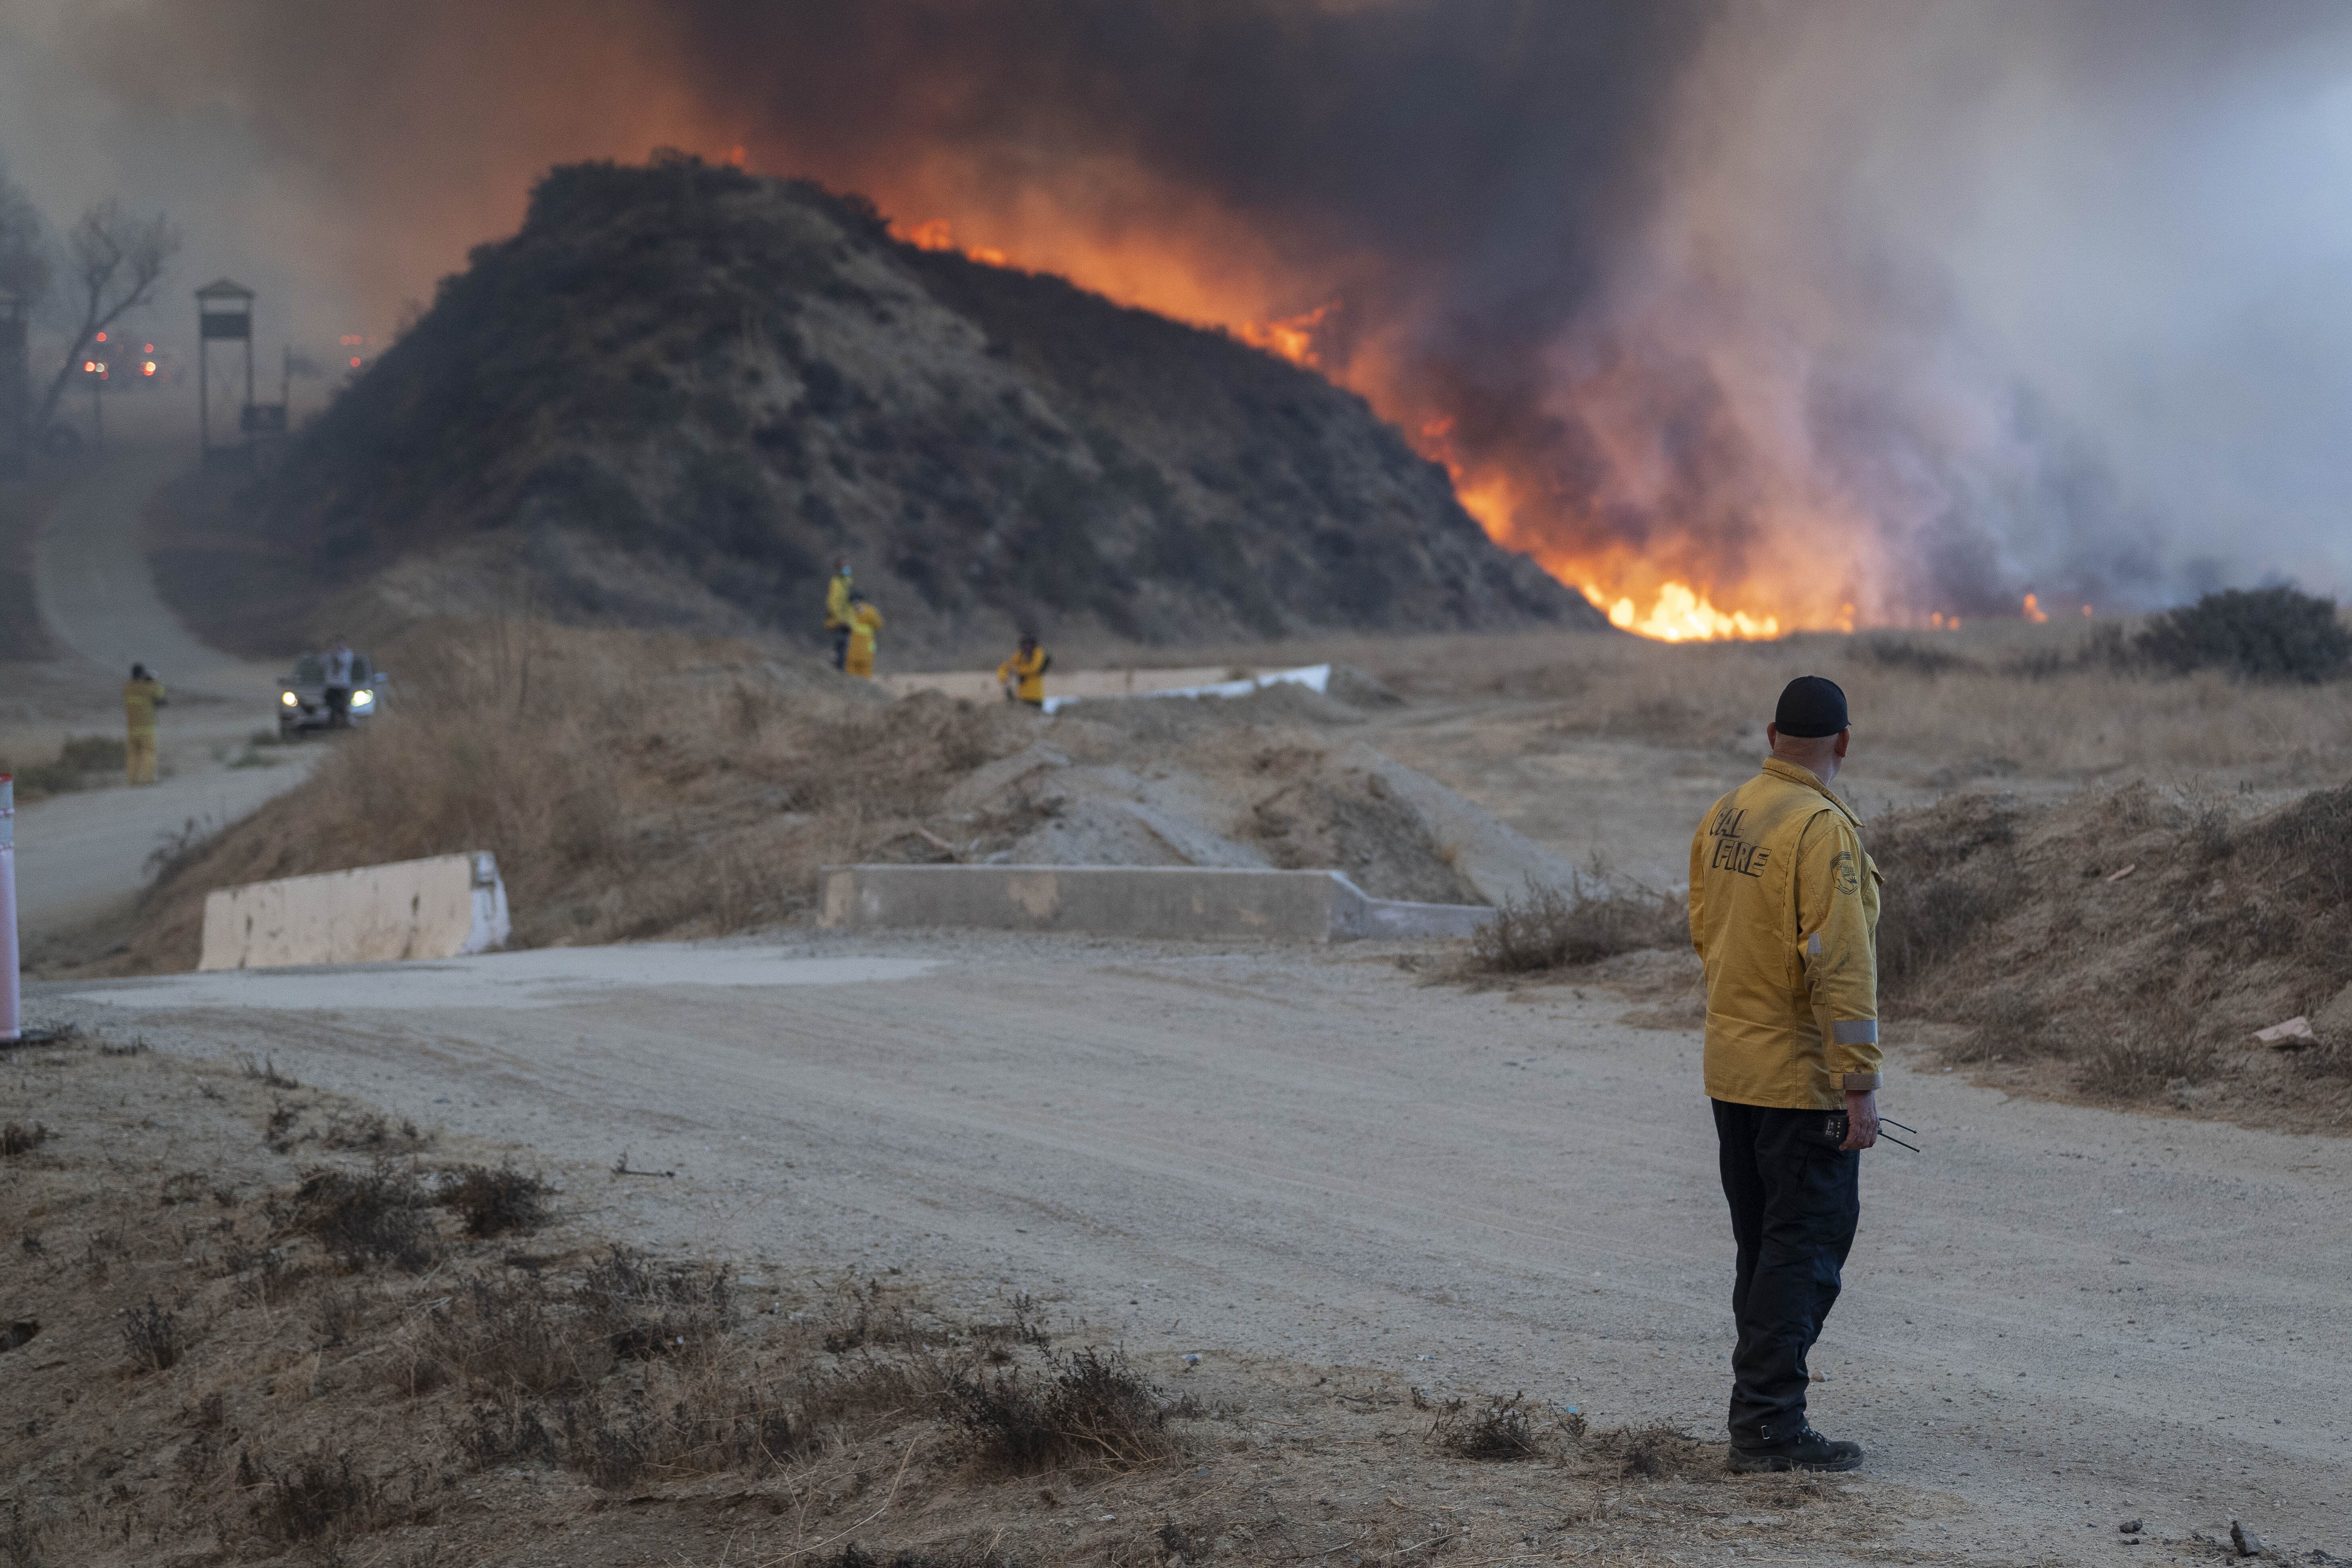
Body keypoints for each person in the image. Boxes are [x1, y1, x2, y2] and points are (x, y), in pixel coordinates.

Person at [1687, 674, 1883, 1475]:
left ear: (1772, 735)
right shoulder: (1820, 830)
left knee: (1763, 1251)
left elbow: (1704, 929)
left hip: (1732, 1071)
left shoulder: (1728, 812)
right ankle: (1768, 1428)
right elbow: (1839, 963)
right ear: (1842, 742)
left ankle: (1761, 1415)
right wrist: (1858, 1084)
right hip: (1798, 1083)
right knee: (1800, 1252)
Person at [123, 663, 167, 786]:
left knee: (133, 755)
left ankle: (132, 780)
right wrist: (151, 680)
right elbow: (160, 693)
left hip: (132, 728)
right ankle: (148, 779)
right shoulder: (147, 687)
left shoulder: (128, 688)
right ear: (142, 674)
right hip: (147, 728)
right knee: (148, 753)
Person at [997, 634, 1049, 708]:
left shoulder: (1038, 654)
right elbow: (1005, 667)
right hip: (1022, 696)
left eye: (1030, 646)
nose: (1027, 648)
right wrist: (1004, 679)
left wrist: (1018, 670)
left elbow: (1034, 668)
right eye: (1025, 645)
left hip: (1035, 697)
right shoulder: (1020, 656)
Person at [824, 557, 855, 671]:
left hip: (846, 620)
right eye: (845, 567)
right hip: (840, 620)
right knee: (839, 645)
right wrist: (837, 617)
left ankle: (839, 667)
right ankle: (837, 667)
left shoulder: (846, 584)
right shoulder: (837, 583)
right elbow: (833, 601)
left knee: (843, 646)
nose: (848, 569)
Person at [843, 593, 884, 679]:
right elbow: (879, 625)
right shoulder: (871, 611)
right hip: (868, 643)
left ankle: (851, 688)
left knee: (851, 667)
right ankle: (866, 687)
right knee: (866, 667)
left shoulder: (849, 611)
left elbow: (842, 623)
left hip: (852, 644)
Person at [321, 637, 356, 728]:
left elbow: (344, 663)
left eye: (340, 644)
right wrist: (330, 652)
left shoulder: (348, 654)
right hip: (331, 685)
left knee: (344, 705)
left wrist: (338, 654)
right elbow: (322, 664)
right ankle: (332, 724)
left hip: (343, 685)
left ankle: (345, 723)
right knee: (331, 706)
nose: (338, 646)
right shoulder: (328, 655)